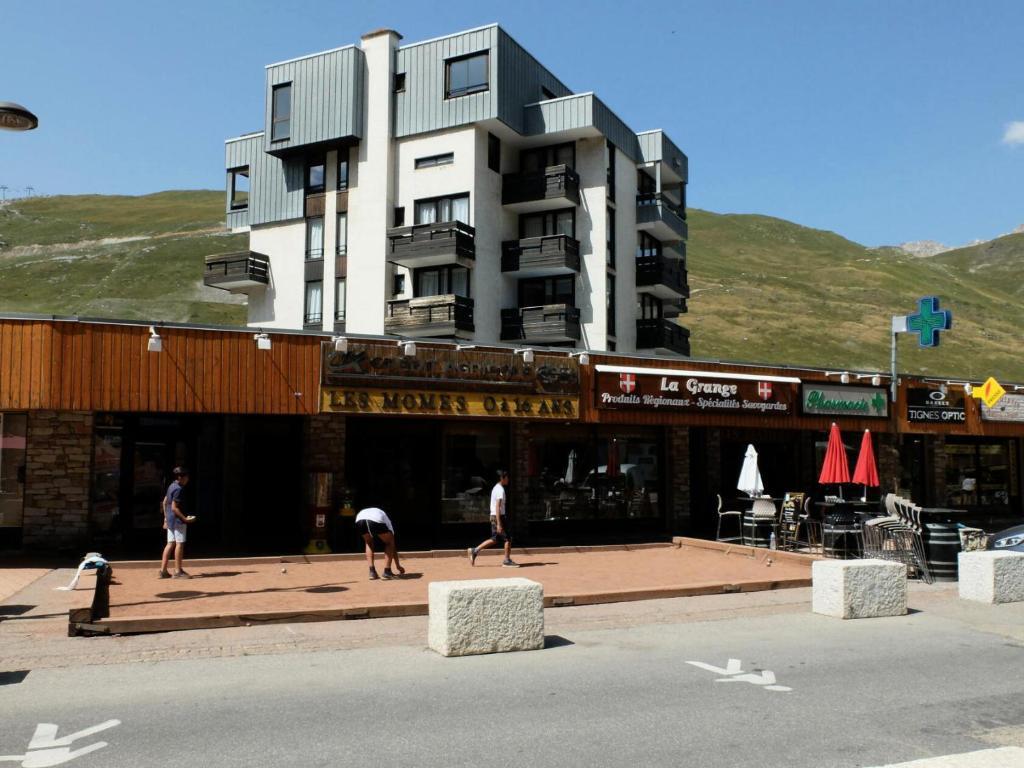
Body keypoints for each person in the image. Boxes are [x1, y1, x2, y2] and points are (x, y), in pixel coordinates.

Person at [468, 470, 519, 567]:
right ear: (502, 478)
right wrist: (499, 523)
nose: (508, 479)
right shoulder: (500, 490)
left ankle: (475, 550)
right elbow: (497, 507)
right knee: (508, 538)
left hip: (494, 516)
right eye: (507, 477)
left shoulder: (496, 488)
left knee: (495, 539)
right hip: (498, 516)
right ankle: (507, 560)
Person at [159, 467, 195, 579]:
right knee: (180, 544)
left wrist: (165, 518)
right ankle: (178, 571)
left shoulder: (171, 486)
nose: (187, 479)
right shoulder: (179, 489)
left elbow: (165, 502)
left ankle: (163, 570)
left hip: (170, 520)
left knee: (170, 543)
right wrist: (185, 519)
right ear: (181, 477)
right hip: (178, 521)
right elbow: (174, 507)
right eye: (186, 477)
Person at [355, 507, 405, 581]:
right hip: (375, 519)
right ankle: (387, 572)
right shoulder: (389, 524)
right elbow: (393, 547)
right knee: (390, 542)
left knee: (368, 542)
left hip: (360, 519)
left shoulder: (380, 514)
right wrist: (398, 566)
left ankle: (372, 572)